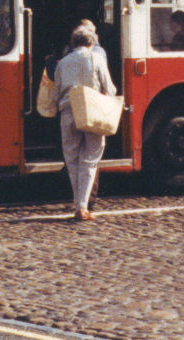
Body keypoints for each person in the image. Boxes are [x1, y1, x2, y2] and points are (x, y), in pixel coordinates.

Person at [51, 25, 117, 222]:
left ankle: (76, 203)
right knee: (90, 159)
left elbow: (55, 93)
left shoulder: (62, 63)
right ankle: (82, 207)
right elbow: (110, 89)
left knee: (72, 160)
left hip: (68, 112)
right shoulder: (96, 58)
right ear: (92, 42)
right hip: (91, 112)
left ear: (73, 43)